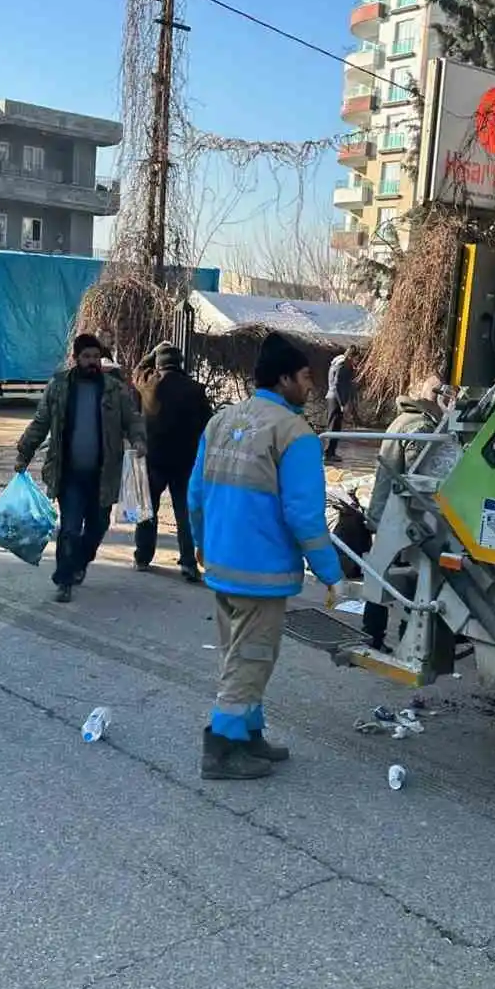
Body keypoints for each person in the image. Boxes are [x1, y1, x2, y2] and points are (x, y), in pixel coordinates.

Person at [189, 331, 347, 780]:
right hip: (261, 572)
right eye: (304, 376)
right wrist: (332, 575)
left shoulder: (221, 421)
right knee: (252, 658)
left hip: (222, 563)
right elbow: (305, 516)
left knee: (238, 655)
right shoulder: (294, 434)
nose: (311, 386)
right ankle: (220, 749)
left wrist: (201, 541)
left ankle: (247, 736)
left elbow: (195, 491)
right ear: (283, 379)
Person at [16, 333, 146, 604]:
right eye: (86, 357)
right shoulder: (60, 387)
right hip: (70, 474)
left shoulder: (114, 389)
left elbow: (132, 419)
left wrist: (139, 439)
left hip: (103, 474)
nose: (92, 362)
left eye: (96, 357)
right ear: (76, 359)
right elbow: (41, 423)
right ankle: (64, 580)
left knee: (97, 527)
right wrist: (24, 454)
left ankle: (80, 562)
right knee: (70, 528)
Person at [363, 374, 444, 651]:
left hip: (383, 511)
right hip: (400, 516)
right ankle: (407, 637)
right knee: (413, 575)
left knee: (382, 572)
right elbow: (419, 478)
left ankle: (371, 636)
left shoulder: (403, 420)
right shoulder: (421, 426)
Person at [132, 342, 212, 582]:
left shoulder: (147, 383)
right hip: (184, 461)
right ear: (180, 363)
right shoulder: (195, 389)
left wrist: (152, 351)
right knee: (184, 513)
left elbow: (137, 369)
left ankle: (143, 557)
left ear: (158, 363)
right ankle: (188, 563)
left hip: (153, 459)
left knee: (148, 511)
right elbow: (207, 424)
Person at [323, 345, 360, 462]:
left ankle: (331, 452)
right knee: (333, 426)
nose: (357, 361)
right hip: (335, 398)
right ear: (351, 356)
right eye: (356, 358)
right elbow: (337, 384)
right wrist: (342, 403)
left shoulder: (338, 363)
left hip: (333, 397)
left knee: (335, 426)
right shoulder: (342, 365)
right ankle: (329, 453)